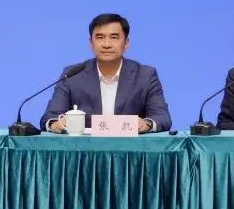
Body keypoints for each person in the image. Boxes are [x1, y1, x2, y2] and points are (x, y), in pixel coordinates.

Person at [40, 13, 172, 134]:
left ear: (126, 43)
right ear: (91, 43)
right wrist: (55, 124)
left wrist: (147, 124)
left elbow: (162, 117)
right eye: (100, 37)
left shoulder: (145, 75)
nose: (106, 44)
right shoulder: (72, 75)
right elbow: (50, 117)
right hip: (85, 149)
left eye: (114, 37)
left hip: (130, 149)